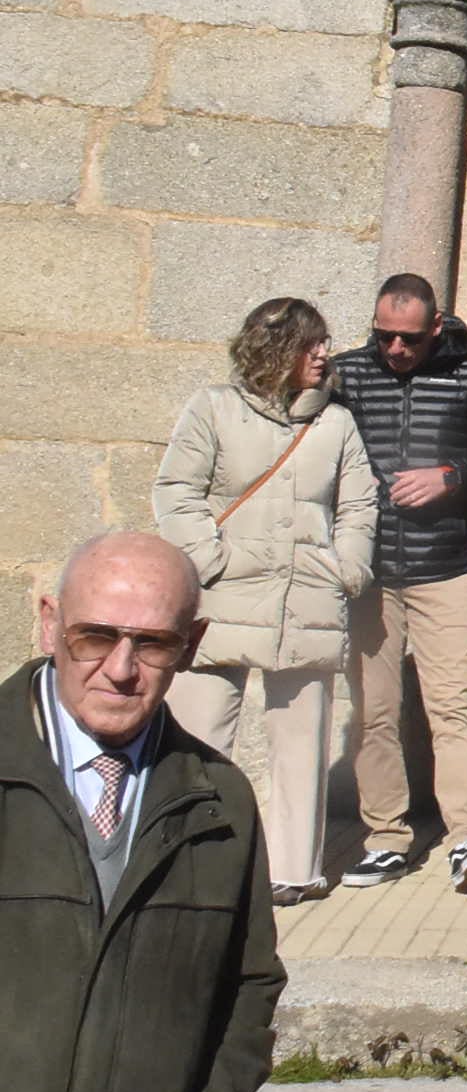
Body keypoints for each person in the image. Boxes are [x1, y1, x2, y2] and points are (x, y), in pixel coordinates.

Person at [3, 532, 284, 1092]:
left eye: (152, 643)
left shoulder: (219, 801)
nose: (120, 669)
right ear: (48, 622)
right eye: (96, 635)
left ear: (190, 644)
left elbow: (247, 989)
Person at [150, 296, 378, 907]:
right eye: (311, 343)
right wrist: (209, 560)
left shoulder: (336, 423)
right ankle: (185, 861)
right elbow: (177, 491)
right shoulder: (213, 409)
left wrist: (346, 568)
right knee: (197, 739)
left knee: (302, 740)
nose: (324, 353)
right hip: (223, 594)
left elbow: (360, 505)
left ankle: (293, 870)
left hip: (306, 595)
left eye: (324, 341)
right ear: (276, 349)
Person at [330, 271, 467, 894]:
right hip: (371, 570)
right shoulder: (348, 375)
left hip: (445, 565)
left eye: (408, 339)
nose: (395, 350)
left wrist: (451, 475)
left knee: (452, 706)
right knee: (374, 712)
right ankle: (386, 838)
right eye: (384, 335)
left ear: (435, 328)